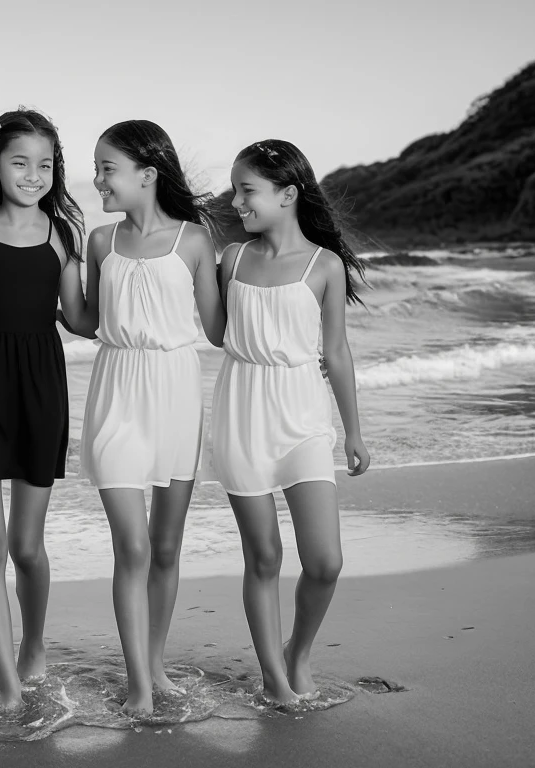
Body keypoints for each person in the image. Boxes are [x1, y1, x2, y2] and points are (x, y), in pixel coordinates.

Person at [210, 139, 370, 704]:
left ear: (287, 194)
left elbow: (338, 354)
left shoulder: (323, 265)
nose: (237, 201)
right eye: (235, 189)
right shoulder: (231, 258)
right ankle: (274, 679)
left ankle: (296, 653)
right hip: (241, 413)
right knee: (265, 557)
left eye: (247, 190)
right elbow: (213, 332)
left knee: (325, 562)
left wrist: (353, 432)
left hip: (303, 416)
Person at [77, 120, 224, 715]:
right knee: (132, 545)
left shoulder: (194, 242)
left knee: (165, 545)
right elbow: (85, 320)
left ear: (147, 174)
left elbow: (217, 330)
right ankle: (137, 681)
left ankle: (155, 665)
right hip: (115, 390)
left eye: (108, 168)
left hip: (176, 392)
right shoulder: (98, 242)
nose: (98, 179)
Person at [0, 108, 87, 711]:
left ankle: (33, 645)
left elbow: (81, 318)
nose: (33, 175)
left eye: (45, 165)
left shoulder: (64, 235)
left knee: (26, 546)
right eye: (20, 162)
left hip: (42, 387)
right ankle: (7, 679)